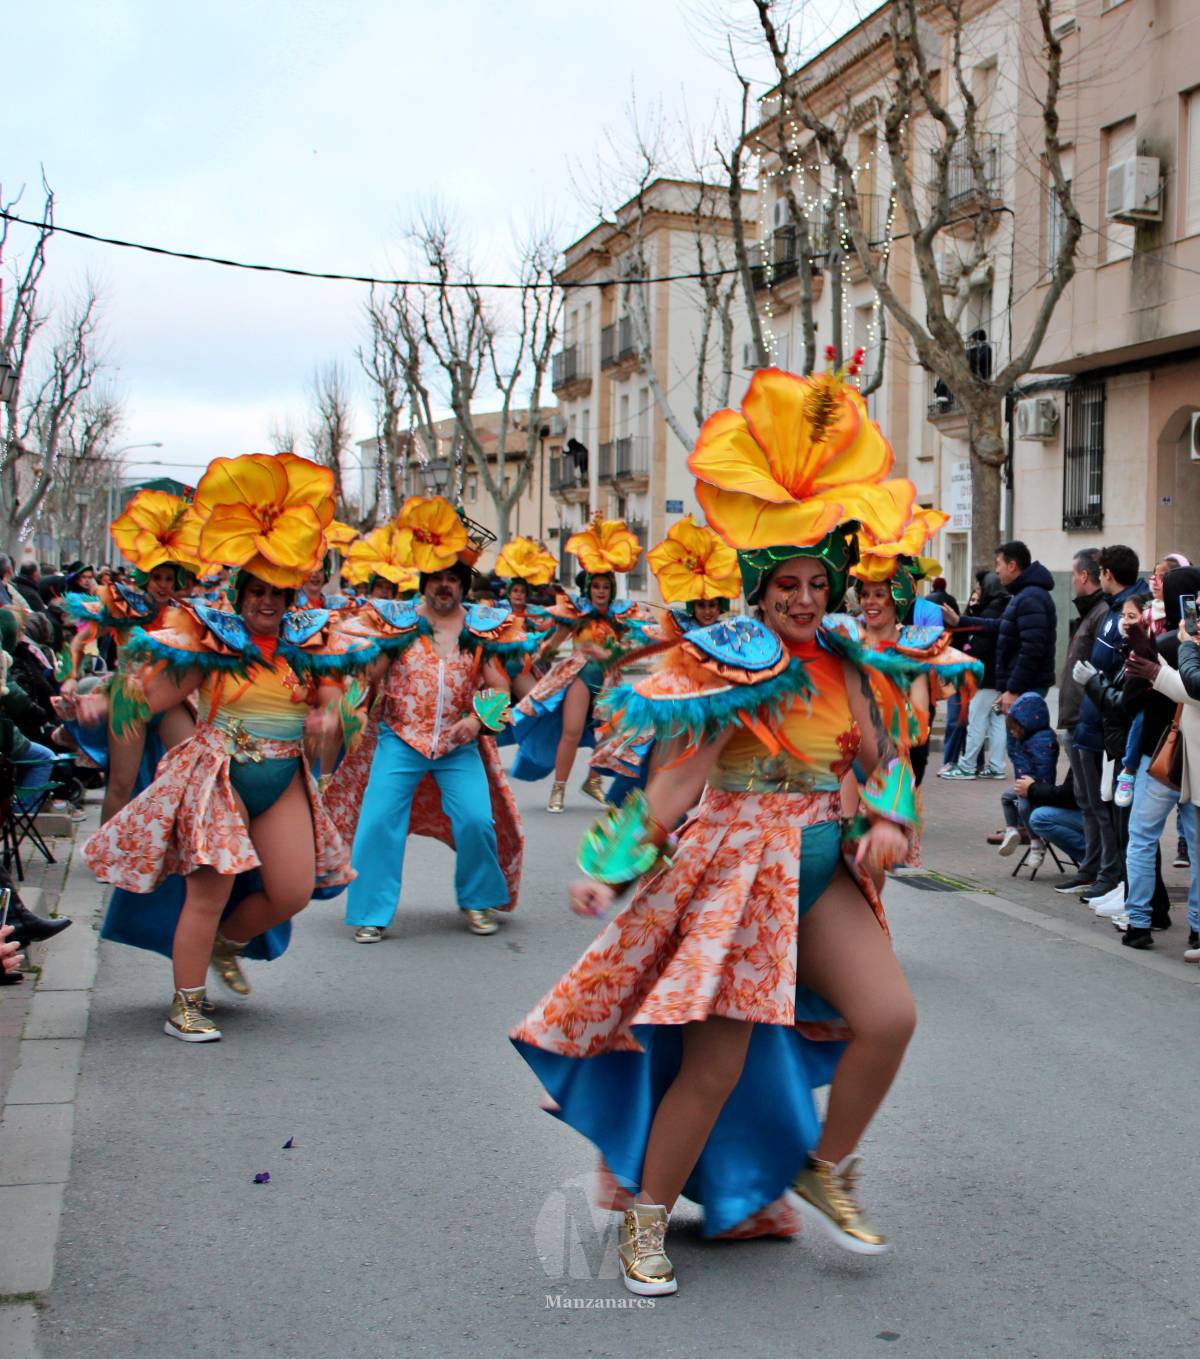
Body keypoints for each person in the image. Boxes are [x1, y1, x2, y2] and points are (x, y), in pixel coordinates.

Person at [512, 362, 926, 1295]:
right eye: (787, 582)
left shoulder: (852, 664)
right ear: (759, 584)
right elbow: (677, 784)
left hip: (819, 869)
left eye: (817, 582)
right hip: (739, 874)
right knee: (715, 1064)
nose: (805, 598)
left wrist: (893, 816)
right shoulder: (729, 665)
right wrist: (609, 865)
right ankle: (646, 1224)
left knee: (890, 1018)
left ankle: (825, 1164)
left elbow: (881, 754)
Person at [81, 452, 373, 1041]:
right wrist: (105, 703)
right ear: (240, 596)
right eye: (257, 591)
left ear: (292, 600)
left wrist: (330, 719)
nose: (267, 601)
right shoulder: (215, 647)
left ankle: (223, 945)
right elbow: (157, 697)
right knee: (208, 887)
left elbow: (337, 705)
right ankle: (185, 1003)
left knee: (292, 890)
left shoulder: (312, 649)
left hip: (282, 779)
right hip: (220, 779)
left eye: (278, 593)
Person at [328, 496, 526, 941]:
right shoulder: (399, 626)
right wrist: (350, 704)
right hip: (400, 739)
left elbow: (498, 687)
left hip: (459, 746)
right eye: (436, 577)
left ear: (463, 585)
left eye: (452, 579)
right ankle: (371, 914)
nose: (444, 586)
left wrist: (476, 723)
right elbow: (370, 677)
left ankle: (477, 902)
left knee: (477, 819)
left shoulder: (480, 632)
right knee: (378, 820)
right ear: (424, 581)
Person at [511, 515, 652, 812]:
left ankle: (593, 782)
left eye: (605, 586)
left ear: (612, 589)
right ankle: (558, 790)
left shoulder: (621, 616)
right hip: (579, 674)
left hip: (609, 678)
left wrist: (624, 648)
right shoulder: (576, 613)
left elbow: (640, 641)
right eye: (596, 586)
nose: (601, 591)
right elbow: (554, 641)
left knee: (610, 733)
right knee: (572, 732)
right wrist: (537, 654)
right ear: (589, 588)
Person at [1070, 544, 1146, 906]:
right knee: (1097, 805)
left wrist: (1093, 686)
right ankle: (1105, 875)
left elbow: (1119, 678)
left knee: (1112, 812)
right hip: (1094, 719)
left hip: (1107, 725)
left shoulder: (1124, 613)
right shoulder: (1114, 610)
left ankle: (1115, 878)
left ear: (1107, 574)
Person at [1046, 548, 1109, 893]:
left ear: (1085, 576)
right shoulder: (1090, 613)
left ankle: (1098, 870)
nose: (1071, 580)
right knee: (1087, 800)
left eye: (1073, 574)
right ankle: (1090, 867)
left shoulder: (1100, 614)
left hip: (1086, 722)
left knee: (1095, 802)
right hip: (1074, 721)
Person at [941, 569, 1010, 780]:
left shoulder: (990, 611)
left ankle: (967, 765)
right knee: (997, 722)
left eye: (980, 587)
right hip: (999, 678)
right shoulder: (1005, 607)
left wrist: (968, 647)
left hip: (985, 677)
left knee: (977, 719)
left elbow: (980, 644)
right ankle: (997, 766)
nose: (977, 592)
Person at [492, 536, 558, 701]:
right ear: (509, 593)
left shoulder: (535, 613)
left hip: (530, 667)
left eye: (522, 591)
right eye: (515, 591)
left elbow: (551, 629)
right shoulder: (498, 610)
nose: (518, 594)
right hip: (502, 665)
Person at [997, 693, 1059, 869]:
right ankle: (1011, 830)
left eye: (1015, 728)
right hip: (1024, 783)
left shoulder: (1043, 739)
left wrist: (1034, 787)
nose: (1013, 733)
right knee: (1006, 798)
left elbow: (1045, 767)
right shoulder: (1023, 738)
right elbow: (1013, 751)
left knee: (1024, 807)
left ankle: (1036, 843)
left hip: (1036, 786)